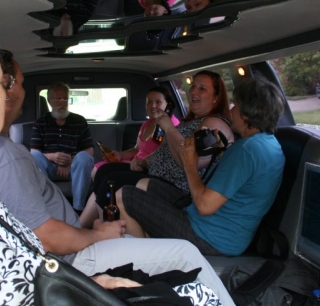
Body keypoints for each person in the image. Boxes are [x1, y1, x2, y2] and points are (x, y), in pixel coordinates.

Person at [0, 49, 243, 306]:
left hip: (73, 247)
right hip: (71, 258)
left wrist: (91, 232)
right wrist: (96, 235)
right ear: (5, 88)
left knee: (107, 177)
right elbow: (46, 238)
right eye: (22, 83)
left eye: (202, 88)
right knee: (186, 253)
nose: (24, 91)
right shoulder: (6, 156)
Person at [118, 78, 286, 256]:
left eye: (236, 106)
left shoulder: (246, 151)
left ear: (246, 115)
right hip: (220, 229)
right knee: (146, 184)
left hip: (209, 237)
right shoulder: (268, 143)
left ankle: (146, 262)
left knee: (123, 196)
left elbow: (204, 206)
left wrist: (190, 164)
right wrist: (221, 153)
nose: (231, 110)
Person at [79, 70, 235, 227]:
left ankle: (104, 230)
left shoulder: (214, 123)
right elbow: (165, 150)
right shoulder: (189, 121)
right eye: (193, 86)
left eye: (202, 88)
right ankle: (95, 226)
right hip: (155, 173)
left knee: (112, 181)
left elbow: (190, 163)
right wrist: (145, 161)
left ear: (216, 97)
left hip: (176, 187)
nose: (193, 91)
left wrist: (169, 128)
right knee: (105, 171)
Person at [91, 86, 180, 179]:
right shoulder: (147, 124)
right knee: (98, 168)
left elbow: (165, 154)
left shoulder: (173, 127)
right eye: (149, 102)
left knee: (103, 172)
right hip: (134, 164)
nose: (153, 106)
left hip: (147, 169)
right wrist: (120, 155)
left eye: (158, 102)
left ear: (168, 105)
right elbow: (137, 149)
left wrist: (142, 162)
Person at [30, 82, 94, 211]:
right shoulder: (40, 123)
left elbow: (89, 150)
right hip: (48, 168)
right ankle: (45, 207)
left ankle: (78, 209)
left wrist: (69, 163)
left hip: (74, 168)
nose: (62, 102)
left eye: (65, 98)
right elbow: (34, 151)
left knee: (84, 157)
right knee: (34, 156)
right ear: (49, 100)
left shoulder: (79, 121)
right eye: (58, 98)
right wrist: (53, 157)